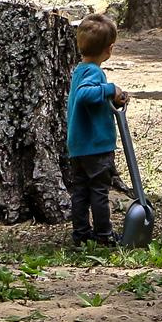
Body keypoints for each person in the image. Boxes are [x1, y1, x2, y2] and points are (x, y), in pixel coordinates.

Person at [66, 14, 130, 247]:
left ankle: (81, 234)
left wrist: (113, 100)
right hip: (96, 146)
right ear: (109, 49)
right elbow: (86, 95)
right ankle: (104, 235)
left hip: (79, 146)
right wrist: (111, 89)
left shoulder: (79, 71)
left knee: (81, 193)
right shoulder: (94, 73)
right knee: (99, 193)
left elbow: (89, 98)